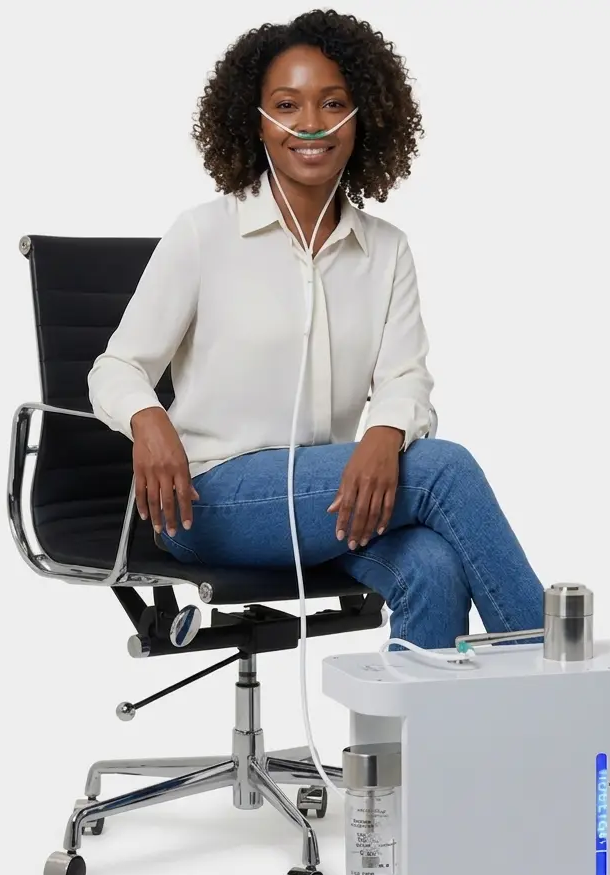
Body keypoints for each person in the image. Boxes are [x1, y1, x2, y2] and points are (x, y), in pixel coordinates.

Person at [88, 9, 545, 651]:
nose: (312, 123)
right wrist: (148, 419)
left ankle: (421, 724)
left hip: (332, 498)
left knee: (433, 568)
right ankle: (556, 679)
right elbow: (115, 368)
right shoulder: (204, 234)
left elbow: (405, 377)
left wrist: (385, 432)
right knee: (443, 470)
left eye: (333, 103)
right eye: (287, 104)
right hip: (209, 498)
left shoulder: (386, 250)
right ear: (256, 120)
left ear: (362, 118)